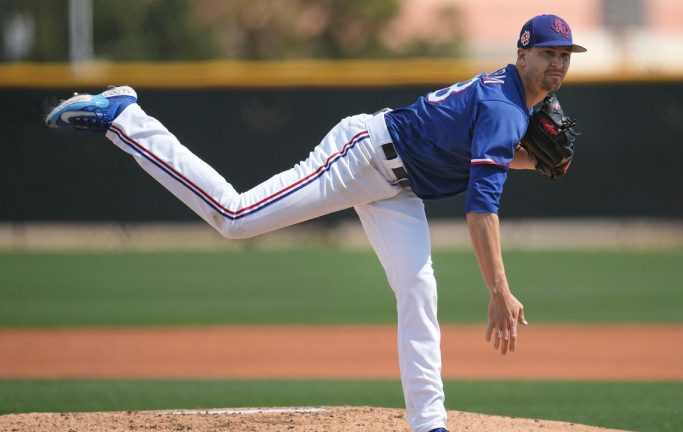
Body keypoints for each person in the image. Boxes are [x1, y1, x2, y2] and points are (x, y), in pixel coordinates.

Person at [45, 14, 585, 432]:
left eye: (564, 55)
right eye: (547, 53)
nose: (557, 63)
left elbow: (477, 154)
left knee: (418, 287)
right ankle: (128, 119)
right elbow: (480, 206)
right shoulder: (508, 107)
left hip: (400, 185)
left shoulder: (514, 102)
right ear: (521, 52)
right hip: (362, 155)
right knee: (235, 217)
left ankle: (428, 423)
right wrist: (499, 289)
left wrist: (534, 159)